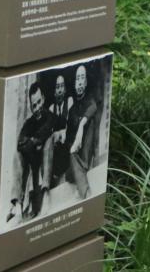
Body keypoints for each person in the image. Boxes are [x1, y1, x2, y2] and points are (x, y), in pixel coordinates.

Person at [11, 82, 57, 221]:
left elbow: (47, 129)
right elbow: (20, 143)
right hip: (34, 164)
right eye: (34, 105)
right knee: (17, 155)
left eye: (39, 102)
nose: (37, 108)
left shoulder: (50, 116)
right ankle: (17, 203)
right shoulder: (29, 123)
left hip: (48, 165)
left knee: (49, 139)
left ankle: (46, 193)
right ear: (30, 106)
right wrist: (35, 142)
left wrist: (33, 140)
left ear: (43, 98)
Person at [65, 64, 99, 200]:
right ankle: (86, 192)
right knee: (71, 150)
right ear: (74, 83)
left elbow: (93, 107)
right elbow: (69, 139)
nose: (79, 82)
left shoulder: (89, 100)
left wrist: (81, 125)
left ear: (85, 83)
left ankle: (84, 190)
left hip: (86, 152)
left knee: (90, 122)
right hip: (76, 158)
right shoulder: (72, 110)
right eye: (77, 79)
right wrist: (74, 144)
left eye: (82, 78)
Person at [48, 73, 72, 188]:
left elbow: (71, 125)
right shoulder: (51, 109)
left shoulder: (70, 102)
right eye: (57, 87)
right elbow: (50, 131)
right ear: (54, 91)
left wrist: (62, 133)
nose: (60, 90)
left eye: (62, 86)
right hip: (57, 146)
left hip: (67, 141)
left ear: (65, 89)